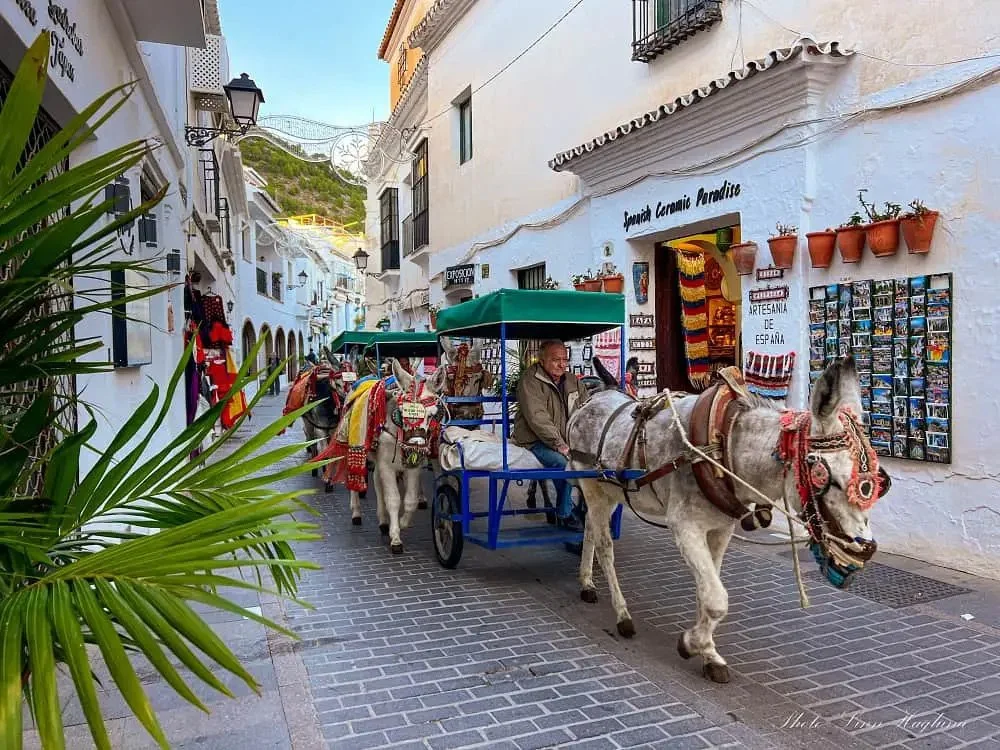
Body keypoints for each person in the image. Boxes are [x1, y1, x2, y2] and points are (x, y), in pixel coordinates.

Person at [511, 340, 590, 531]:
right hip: (534, 441)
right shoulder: (530, 380)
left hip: (566, 439)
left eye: (565, 359)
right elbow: (538, 418)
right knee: (564, 464)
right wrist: (559, 444)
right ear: (542, 360)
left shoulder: (573, 381)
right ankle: (565, 513)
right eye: (556, 360)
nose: (562, 364)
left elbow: (586, 410)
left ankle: (589, 509)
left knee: (593, 463)